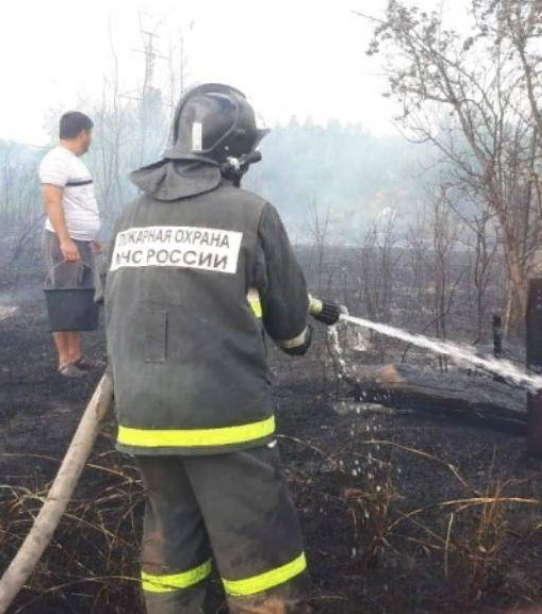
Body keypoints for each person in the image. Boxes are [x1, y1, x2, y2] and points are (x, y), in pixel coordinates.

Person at [102, 83, 340, 614]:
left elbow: (121, 297)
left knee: (173, 556)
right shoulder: (251, 213)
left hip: (143, 423)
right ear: (233, 155)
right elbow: (292, 331)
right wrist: (294, 328)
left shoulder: (128, 218)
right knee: (263, 563)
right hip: (224, 422)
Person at [39, 111, 103, 378]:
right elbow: (52, 200)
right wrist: (65, 240)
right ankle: (65, 361)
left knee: (76, 298)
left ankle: (76, 356)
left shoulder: (71, 161)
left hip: (80, 240)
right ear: (83, 133)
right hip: (64, 241)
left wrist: (88, 238)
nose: (90, 140)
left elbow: (77, 202)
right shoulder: (56, 160)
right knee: (64, 297)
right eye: (90, 135)